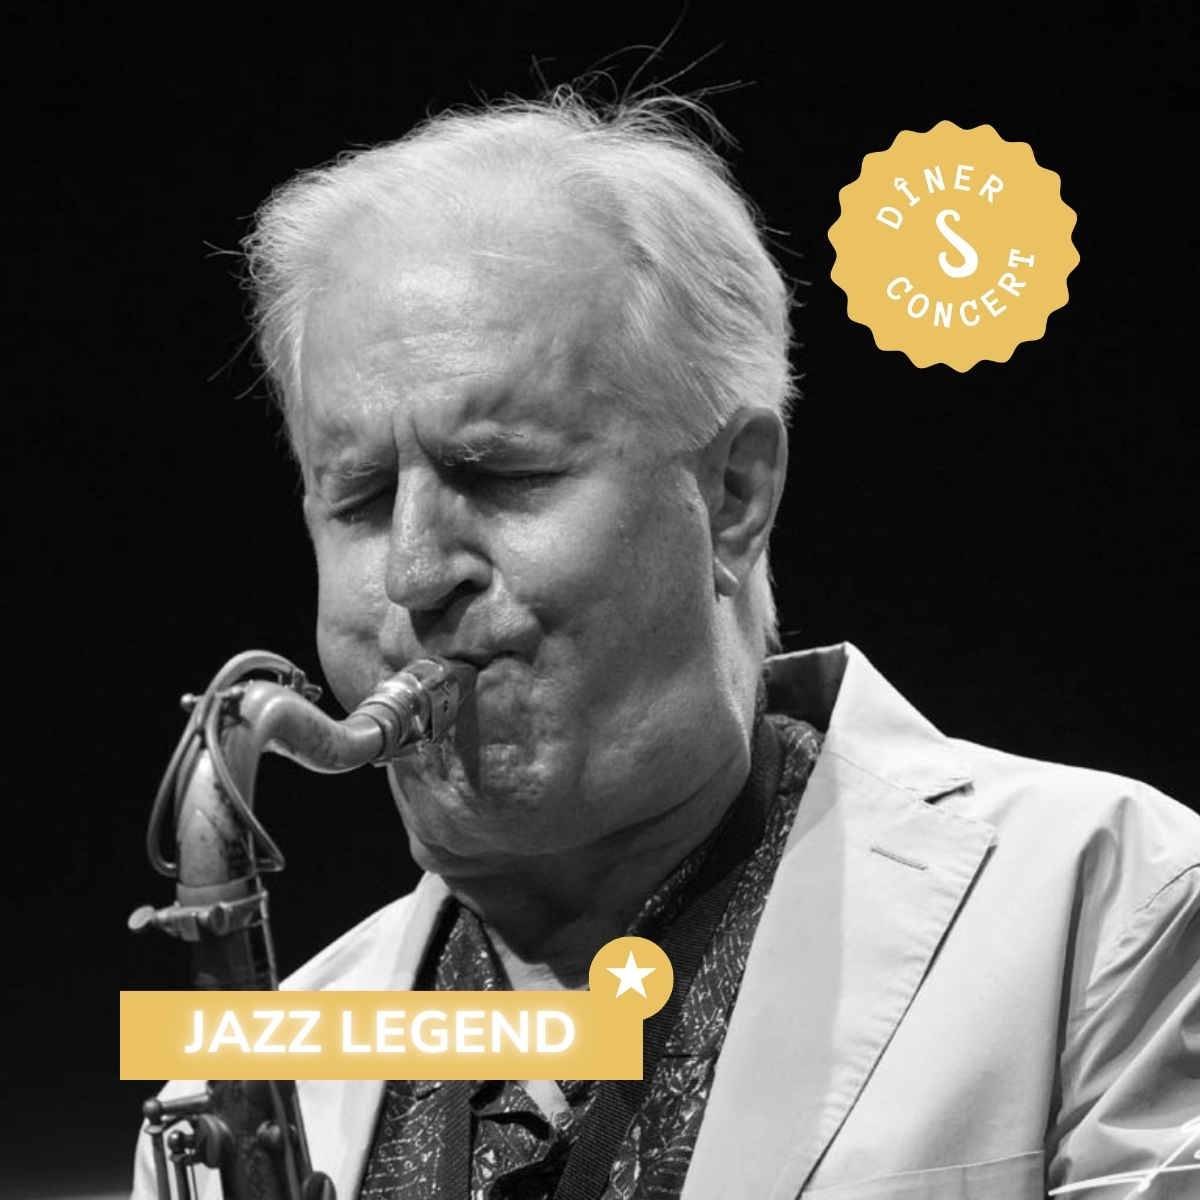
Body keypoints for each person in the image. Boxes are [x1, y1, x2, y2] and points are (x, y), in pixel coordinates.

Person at [133, 89, 1199, 1199]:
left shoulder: (1120, 908)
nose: (412, 573)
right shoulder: (228, 1083)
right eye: (357, 497)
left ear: (733, 496)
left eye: (499, 472)